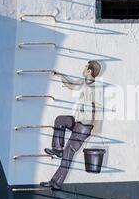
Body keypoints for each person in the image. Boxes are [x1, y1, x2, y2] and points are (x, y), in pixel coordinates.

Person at [40, 60, 102, 190]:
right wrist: (59, 75)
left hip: (84, 127)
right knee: (60, 120)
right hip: (78, 123)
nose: (83, 68)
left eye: (85, 67)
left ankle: (56, 182)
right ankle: (57, 148)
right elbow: (70, 85)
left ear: (89, 71)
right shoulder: (84, 83)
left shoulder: (96, 88)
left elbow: (98, 108)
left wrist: (95, 128)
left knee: (68, 153)